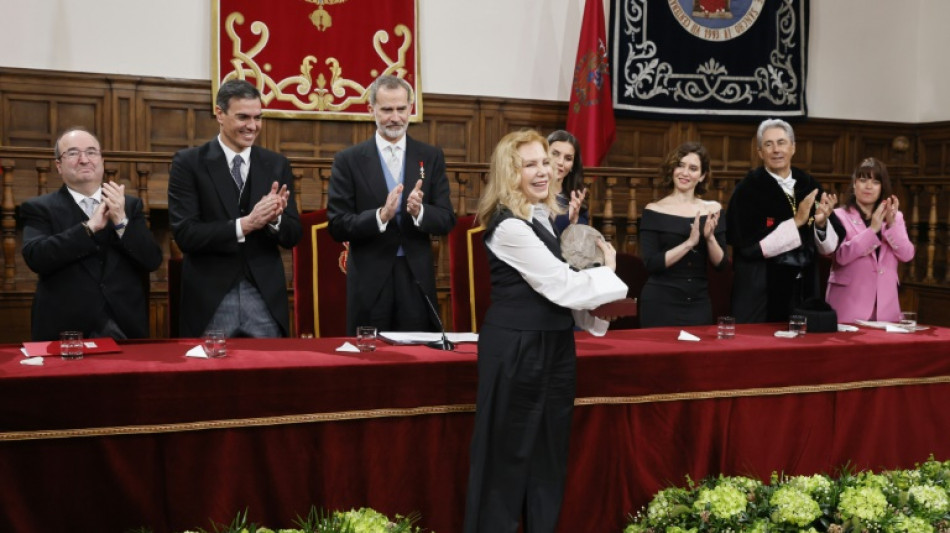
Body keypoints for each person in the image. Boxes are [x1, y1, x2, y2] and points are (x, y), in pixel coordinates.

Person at [463, 130, 628, 533]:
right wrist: (608, 273)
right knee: (506, 461)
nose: (543, 172)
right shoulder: (508, 227)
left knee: (547, 459)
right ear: (509, 172)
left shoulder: (540, 216)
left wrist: (595, 315)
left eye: (545, 163)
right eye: (530, 164)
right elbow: (561, 285)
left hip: (553, 347)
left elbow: (561, 295)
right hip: (517, 350)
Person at [168, 79, 301, 338]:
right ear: (219, 114)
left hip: (264, 296)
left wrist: (274, 220)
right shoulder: (189, 163)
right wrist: (245, 224)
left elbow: (294, 234)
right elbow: (186, 234)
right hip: (211, 298)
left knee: (270, 374)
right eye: (243, 117)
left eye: (257, 117)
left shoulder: (276, 164)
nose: (252, 126)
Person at [327, 74, 456, 335]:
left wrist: (420, 212)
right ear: (371, 109)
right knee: (369, 362)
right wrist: (380, 216)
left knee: (418, 361)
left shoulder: (430, 157)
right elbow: (337, 224)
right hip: (369, 280)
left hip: (416, 277)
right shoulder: (348, 160)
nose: (395, 117)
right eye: (386, 110)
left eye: (401, 109)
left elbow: (446, 219)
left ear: (410, 108)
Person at [21, 127, 163, 341]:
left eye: (91, 152)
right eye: (73, 153)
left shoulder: (130, 205)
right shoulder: (39, 208)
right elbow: (36, 257)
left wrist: (122, 222)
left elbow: (152, 260)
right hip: (65, 328)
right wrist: (88, 228)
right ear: (58, 166)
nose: (84, 159)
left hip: (125, 324)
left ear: (102, 160)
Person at [726, 118, 841, 323]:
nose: (776, 150)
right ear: (760, 152)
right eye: (768, 144)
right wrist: (796, 222)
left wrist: (821, 224)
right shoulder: (748, 190)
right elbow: (749, 247)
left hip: (803, 286)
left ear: (793, 147)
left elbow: (828, 248)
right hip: (762, 288)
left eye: (781, 142)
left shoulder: (809, 185)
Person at [638, 142, 727, 327]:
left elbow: (721, 264)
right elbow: (651, 264)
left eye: (693, 168)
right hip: (660, 302)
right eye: (680, 165)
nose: (685, 173)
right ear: (672, 170)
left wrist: (709, 238)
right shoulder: (654, 210)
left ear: (702, 176)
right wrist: (689, 243)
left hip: (698, 303)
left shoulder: (713, 209)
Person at [825, 158, 914, 323]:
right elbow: (840, 256)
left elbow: (907, 254)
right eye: (863, 180)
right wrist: (872, 230)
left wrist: (892, 224)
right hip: (848, 307)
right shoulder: (839, 215)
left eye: (875, 182)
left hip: (885, 310)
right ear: (854, 184)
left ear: (882, 188)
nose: (868, 186)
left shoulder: (895, 217)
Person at [547, 130, 588, 233]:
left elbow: (580, 244)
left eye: (568, 158)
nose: (560, 162)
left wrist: (574, 221)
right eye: (555, 154)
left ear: (573, 166)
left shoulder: (577, 202)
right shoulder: (532, 193)